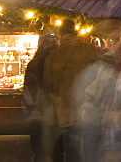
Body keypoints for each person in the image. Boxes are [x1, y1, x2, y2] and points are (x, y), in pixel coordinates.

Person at [41, 19, 101, 161]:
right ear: (75, 32)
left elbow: (47, 86)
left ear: (61, 34)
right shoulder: (90, 50)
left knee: (72, 151)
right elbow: (102, 79)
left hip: (66, 114)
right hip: (90, 111)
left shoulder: (53, 56)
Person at [23, 34, 58, 159]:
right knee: (55, 149)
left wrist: (30, 109)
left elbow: (28, 89)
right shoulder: (57, 62)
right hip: (55, 110)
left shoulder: (34, 63)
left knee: (39, 148)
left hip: (38, 110)